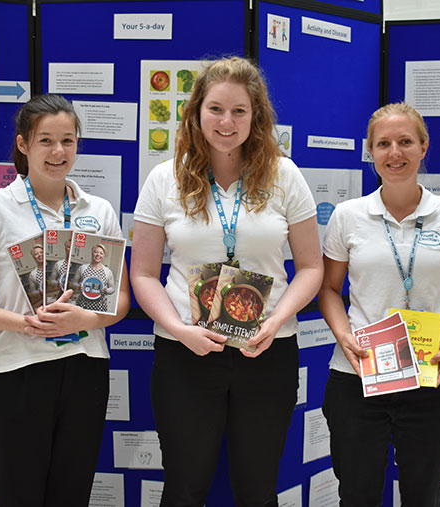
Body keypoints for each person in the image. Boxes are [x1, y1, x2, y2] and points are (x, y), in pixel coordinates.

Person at [130, 56, 323, 507]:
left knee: (257, 490)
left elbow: (312, 267)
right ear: (196, 112)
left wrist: (275, 321)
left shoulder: (285, 175)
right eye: (215, 109)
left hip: (266, 351)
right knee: (184, 486)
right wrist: (179, 331)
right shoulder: (164, 178)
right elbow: (142, 273)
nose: (226, 121)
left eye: (239, 110)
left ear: (256, 117)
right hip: (185, 353)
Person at [0, 94, 130, 507]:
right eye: (46, 140)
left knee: (72, 495)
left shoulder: (98, 210)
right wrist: (26, 323)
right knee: (19, 496)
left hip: (85, 371)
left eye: (68, 140)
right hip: (17, 373)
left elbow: (121, 301)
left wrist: (86, 319)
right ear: (24, 145)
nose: (58, 151)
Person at [318, 102, 440, 506]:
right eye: (384, 143)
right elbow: (328, 290)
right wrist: (344, 336)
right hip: (358, 373)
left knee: (425, 496)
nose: (395, 153)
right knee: (357, 495)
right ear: (370, 151)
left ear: (424, 147)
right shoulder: (347, 215)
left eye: (405, 142)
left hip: (432, 374)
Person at [71, 243, 116, 312]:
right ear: (92, 253)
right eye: (95, 252)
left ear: (103, 256)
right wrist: (79, 286)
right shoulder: (82, 268)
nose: (98, 255)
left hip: (100, 305)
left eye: (101, 253)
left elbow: (112, 288)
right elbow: (74, 282)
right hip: (83, 303)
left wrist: (106, 290)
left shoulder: (108, 271)